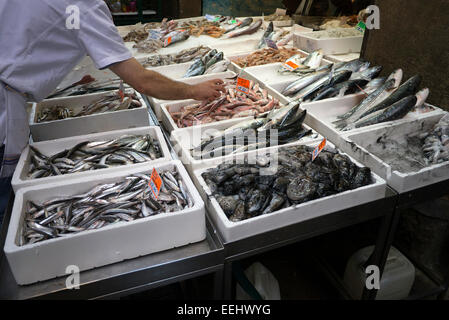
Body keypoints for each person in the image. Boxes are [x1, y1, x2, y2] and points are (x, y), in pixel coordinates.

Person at [0, 0, 226, 223]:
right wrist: (194, 90)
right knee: (5, 205)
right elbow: (143, 82)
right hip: (5, 106)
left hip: (9, 91)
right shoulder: (86, 6)